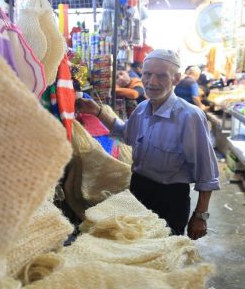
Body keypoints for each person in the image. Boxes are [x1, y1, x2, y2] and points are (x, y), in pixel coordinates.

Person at [76, 49, 220, 240]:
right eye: (147, 74)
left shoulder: (190, 117)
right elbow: (126, 134)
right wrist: (98, 111)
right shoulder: (143, 108)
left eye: (161, 76)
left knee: (165, 252)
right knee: (137, 248)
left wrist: (201, 215)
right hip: (138, 191)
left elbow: (206, 173)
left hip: (170, 199)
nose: (152, 82)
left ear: (176, 79)